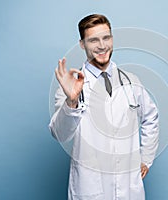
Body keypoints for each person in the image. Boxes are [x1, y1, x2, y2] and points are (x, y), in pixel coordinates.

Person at [49, 14, 159, 200]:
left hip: (128, 188)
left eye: (106, 38)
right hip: (90, 187)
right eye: (93, 40)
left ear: (112, 39)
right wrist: (72, 102)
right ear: (82, 44)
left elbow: (151, 117)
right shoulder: (70, 87)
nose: (101, 45)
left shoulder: (131, 81)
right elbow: (60, 134)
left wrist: (146, 158)